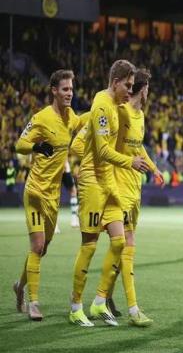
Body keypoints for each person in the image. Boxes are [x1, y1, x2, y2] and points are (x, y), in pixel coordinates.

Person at [69, 60, 150, 327]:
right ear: (115, 83)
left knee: (119, 242)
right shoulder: (102, 104)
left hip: (109, 181)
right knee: (90, 245)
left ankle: (99, 301)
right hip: (93, 180)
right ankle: (75, 306)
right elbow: (103, 151)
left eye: (133, 86)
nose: (130, 90)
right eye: (127, 85)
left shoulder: (117, 106)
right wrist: (130, 162)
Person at [13, 69, 81, 321]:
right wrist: (37, 146)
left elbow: (83, 121)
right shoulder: (41, 118)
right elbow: (19, 144)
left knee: (41, 249)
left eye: (71, 89)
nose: (69, 93)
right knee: (38, 245)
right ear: (54, 90)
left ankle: (19, 286)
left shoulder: (70, 117)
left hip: (53, 197)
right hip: (34, 191)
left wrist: (102, 109)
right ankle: (34, 302)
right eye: (65, 89)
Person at [106, 68, 162, 326]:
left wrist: (154, 168)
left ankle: (104, 296)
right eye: (148, 88)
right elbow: (108, 146)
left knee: (122, 248)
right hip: (119, 187)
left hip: (134, 188)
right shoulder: (121, 112)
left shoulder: (140, 116)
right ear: (144, 89)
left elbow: (138, 147)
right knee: (127, 245)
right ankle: (133, 309)